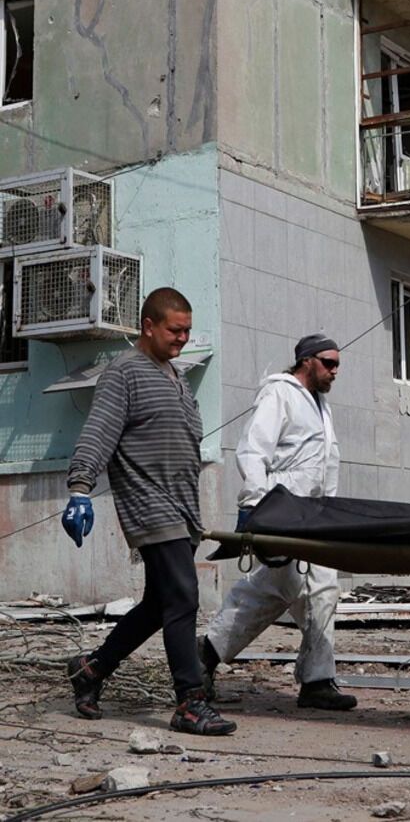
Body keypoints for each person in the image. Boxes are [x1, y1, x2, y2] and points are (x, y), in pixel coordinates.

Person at [62, 288, 236, 735]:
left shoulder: (174, 377)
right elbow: (98, 432)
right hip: (148, 503)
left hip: (182, 507)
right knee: (183, 597)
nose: (182, 338)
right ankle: (190, 701)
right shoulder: (124, 375)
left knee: (160, 604)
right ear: (149, 326)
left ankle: (92, 669)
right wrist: (80, 488)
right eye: (175, 330)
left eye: (187, 330)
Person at [197, 334, 356, 711]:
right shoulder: (279, 394)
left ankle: (317, 680)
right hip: (282, 514)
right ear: (306, 361)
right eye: (329, 363)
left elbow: (321, 463)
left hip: (312, 517)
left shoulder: (320, 405)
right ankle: (204, 654)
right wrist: (254, 506)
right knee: (272, 592)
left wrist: (327, 513)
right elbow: (254, 449)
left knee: (322, 589)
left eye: (338, 364)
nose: (335, 371)